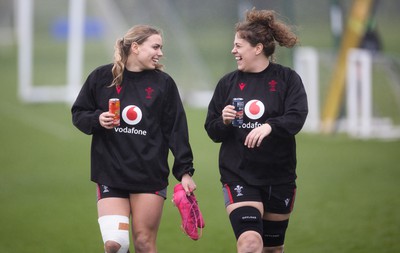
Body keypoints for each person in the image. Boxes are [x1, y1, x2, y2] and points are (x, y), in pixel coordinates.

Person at [71, 25, 196, 253]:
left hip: (149, 175)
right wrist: (98, 119)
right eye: (155, 46)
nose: (160, 53)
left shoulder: (164, 83)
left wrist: (185, 172)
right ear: (136, 47)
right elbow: (78, 113)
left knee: (144, 243)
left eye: (161, 47)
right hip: (111, 173)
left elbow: (176, 130)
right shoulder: (102, 77)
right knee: (114, 244)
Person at [204, 9, 308, 253]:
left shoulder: (287, 79)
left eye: (238, 45)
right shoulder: (227, 83)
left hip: (279, 177)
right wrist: (224, 121)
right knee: (250, 242)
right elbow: (212, 130)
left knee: (273, 249)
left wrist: (270, 126)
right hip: (239, 175)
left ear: (258, 48)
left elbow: (296, 118)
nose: (233, 51)